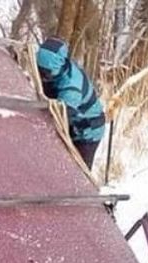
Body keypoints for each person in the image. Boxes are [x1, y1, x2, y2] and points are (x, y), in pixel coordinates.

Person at [36, 37, 105, 169]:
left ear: (60, 66)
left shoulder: (71, 88)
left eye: (47, 73)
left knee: (77, 171)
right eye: (40, 71)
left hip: (87, 132)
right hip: (74, 125)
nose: (43, 77)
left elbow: (59, 118)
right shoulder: (53, 69)